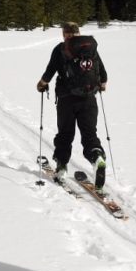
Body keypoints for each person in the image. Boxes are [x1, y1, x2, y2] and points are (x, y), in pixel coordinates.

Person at [36, 22, 108, 186]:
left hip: (66, 99)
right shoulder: (90, 48)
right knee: (90, 135)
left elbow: (50, 71)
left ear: (64, 34)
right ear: (78, 33)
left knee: (65, 134)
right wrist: (100, 85)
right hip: (89, 99)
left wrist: (41, 84)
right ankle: (97, 157)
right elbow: (103, 75)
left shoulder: (61, 48)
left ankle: (61, 167)